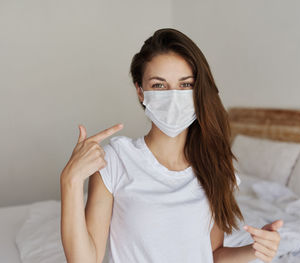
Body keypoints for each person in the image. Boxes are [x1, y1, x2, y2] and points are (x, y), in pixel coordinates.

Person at [60, 28, 283, 263]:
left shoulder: (217, 165)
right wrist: (70, 182)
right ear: (140, 91)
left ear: (198, 90)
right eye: (159, 86)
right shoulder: (115, 159)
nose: (174, 96)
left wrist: (255, 250)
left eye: (186, 85)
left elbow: (213, 254)